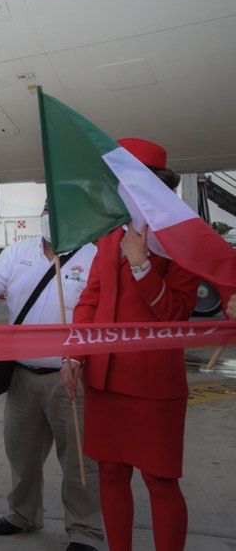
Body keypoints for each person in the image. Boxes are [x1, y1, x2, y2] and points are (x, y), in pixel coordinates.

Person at [64, 138, 199, 551]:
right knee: (111, 474)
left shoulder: (181, 234)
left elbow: (177, 314)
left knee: (160, 480)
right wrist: (75, 353)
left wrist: (142, 264)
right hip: (105, 377)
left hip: (152, 383)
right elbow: (91, 298)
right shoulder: (111, 232)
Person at [0, 205, 101, 551]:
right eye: (49, 206)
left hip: (70, 378)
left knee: (79, 460)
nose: (53, 213)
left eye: (59, 206)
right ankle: (23, 514)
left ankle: (83, 530)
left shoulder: (92, 256)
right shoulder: (19, 252)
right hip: (22, 375)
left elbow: (99, 315)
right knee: (22, 455)